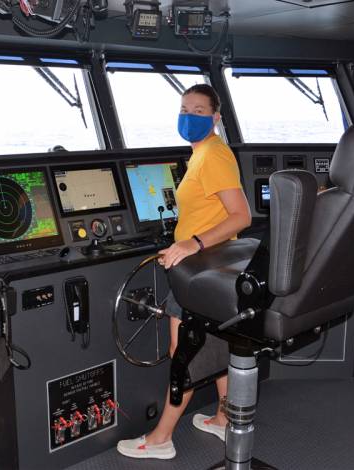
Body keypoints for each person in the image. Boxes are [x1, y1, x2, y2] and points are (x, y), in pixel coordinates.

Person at [116, 84, 252, 460]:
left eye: (198, 110)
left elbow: (242, 215)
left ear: (215, 117)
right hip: (214, 266)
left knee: (184, 352)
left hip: (201, 267)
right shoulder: (203, 154)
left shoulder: (213, 156)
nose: (189, 117)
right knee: (219, 342)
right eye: (184, 109)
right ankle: (226, 420)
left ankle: (161, 439)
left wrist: (192, 243)